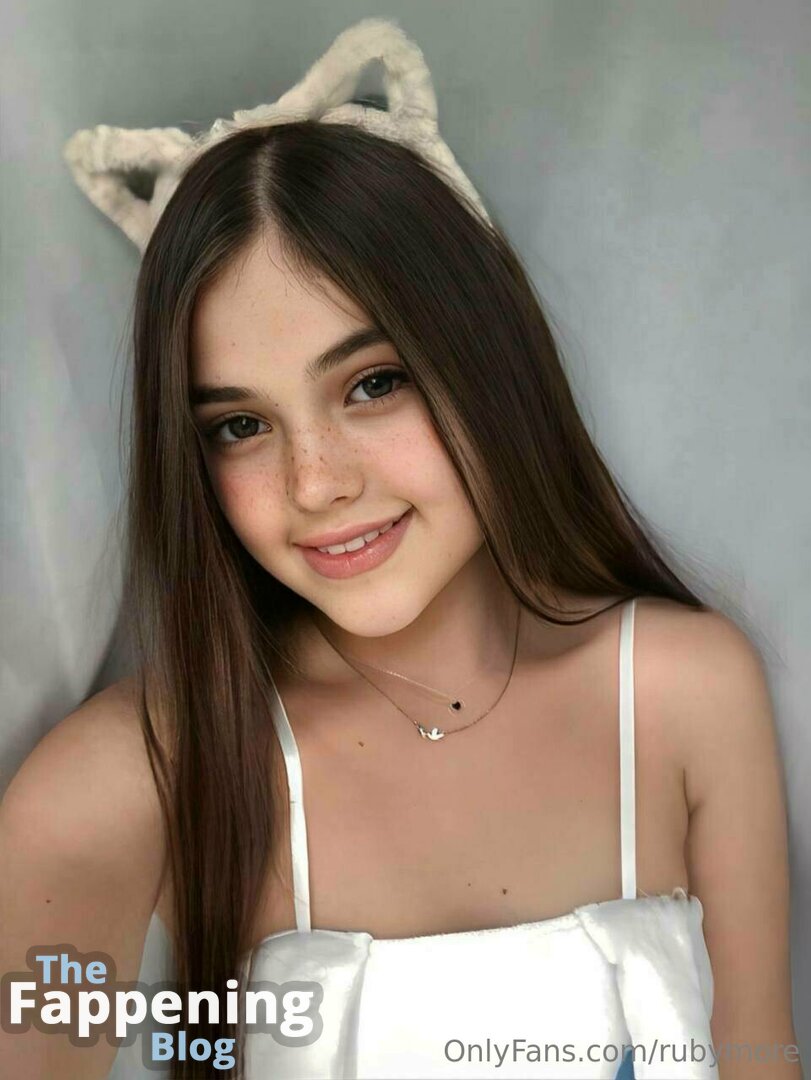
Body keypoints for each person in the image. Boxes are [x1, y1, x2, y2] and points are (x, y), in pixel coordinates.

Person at [1, 19, 802, 1080]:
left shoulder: (684, 693)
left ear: (485, 363)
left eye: (372, 383)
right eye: (238, 425)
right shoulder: (128, 779)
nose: (316, 483)